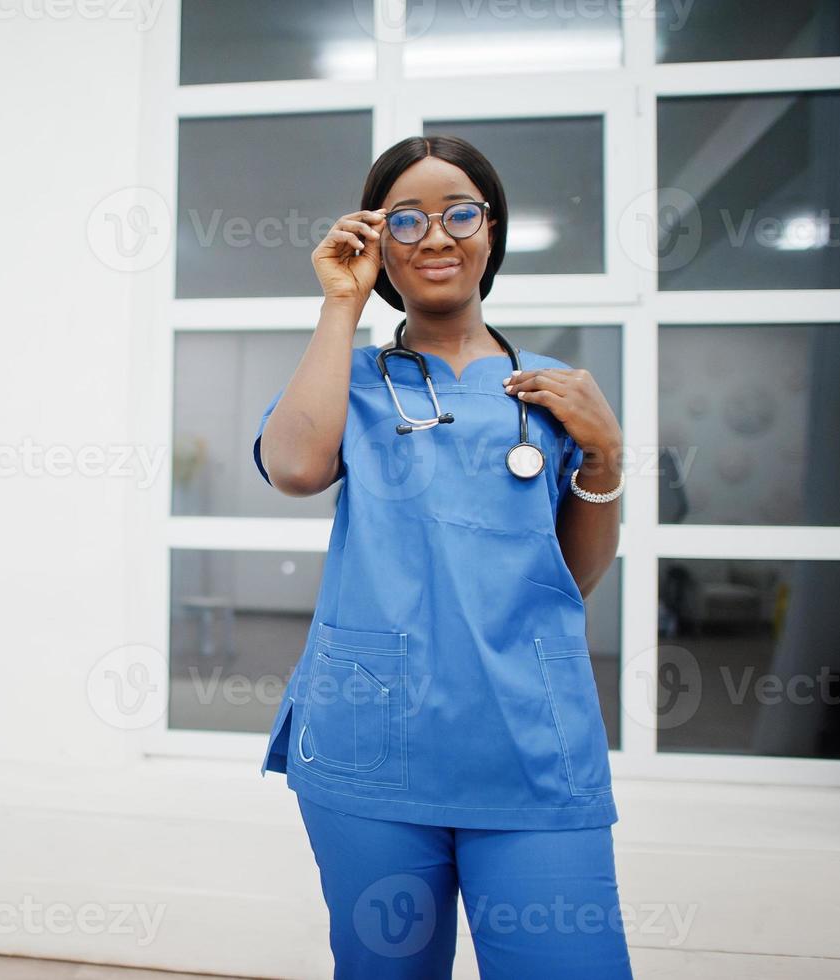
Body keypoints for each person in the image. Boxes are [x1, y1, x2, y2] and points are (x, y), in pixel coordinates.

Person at [253, 134, 634, 979]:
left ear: (490, 230)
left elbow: (567, 579)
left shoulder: (552, 391)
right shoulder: (347, 374)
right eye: (407, 219)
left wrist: (604, 457)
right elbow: (293, 467)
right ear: (377, 241)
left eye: (459, 212)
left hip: (530, 744)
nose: (435, 236)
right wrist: (339, 305)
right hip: (372, 743)